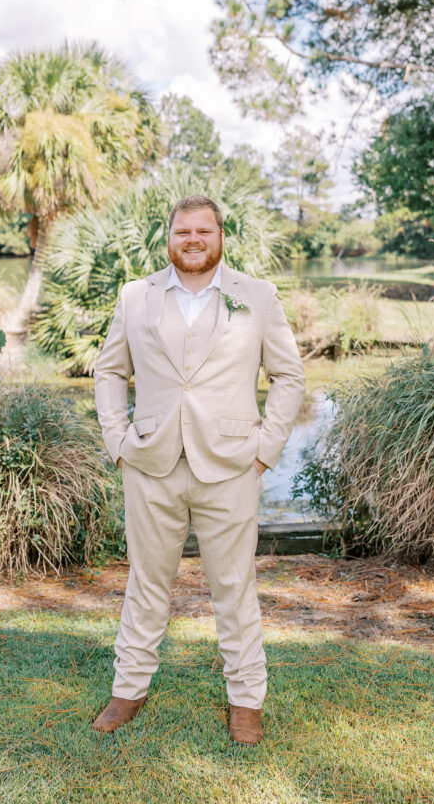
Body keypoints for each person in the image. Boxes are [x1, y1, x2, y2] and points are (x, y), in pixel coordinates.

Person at [92, 194, 305, 744]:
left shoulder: (256, 296)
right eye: (183, 232)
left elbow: (289, 377)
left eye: (203, 232)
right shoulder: (135, 296)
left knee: (235, 587)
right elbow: (110, 371)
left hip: (232, 465)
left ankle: (246, 701)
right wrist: (118, 440)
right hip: (150, 464)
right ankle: (128, 690)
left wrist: (266, 449)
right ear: (169, 237)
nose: (192, 240)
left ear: (220, 235)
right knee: (147, 583)